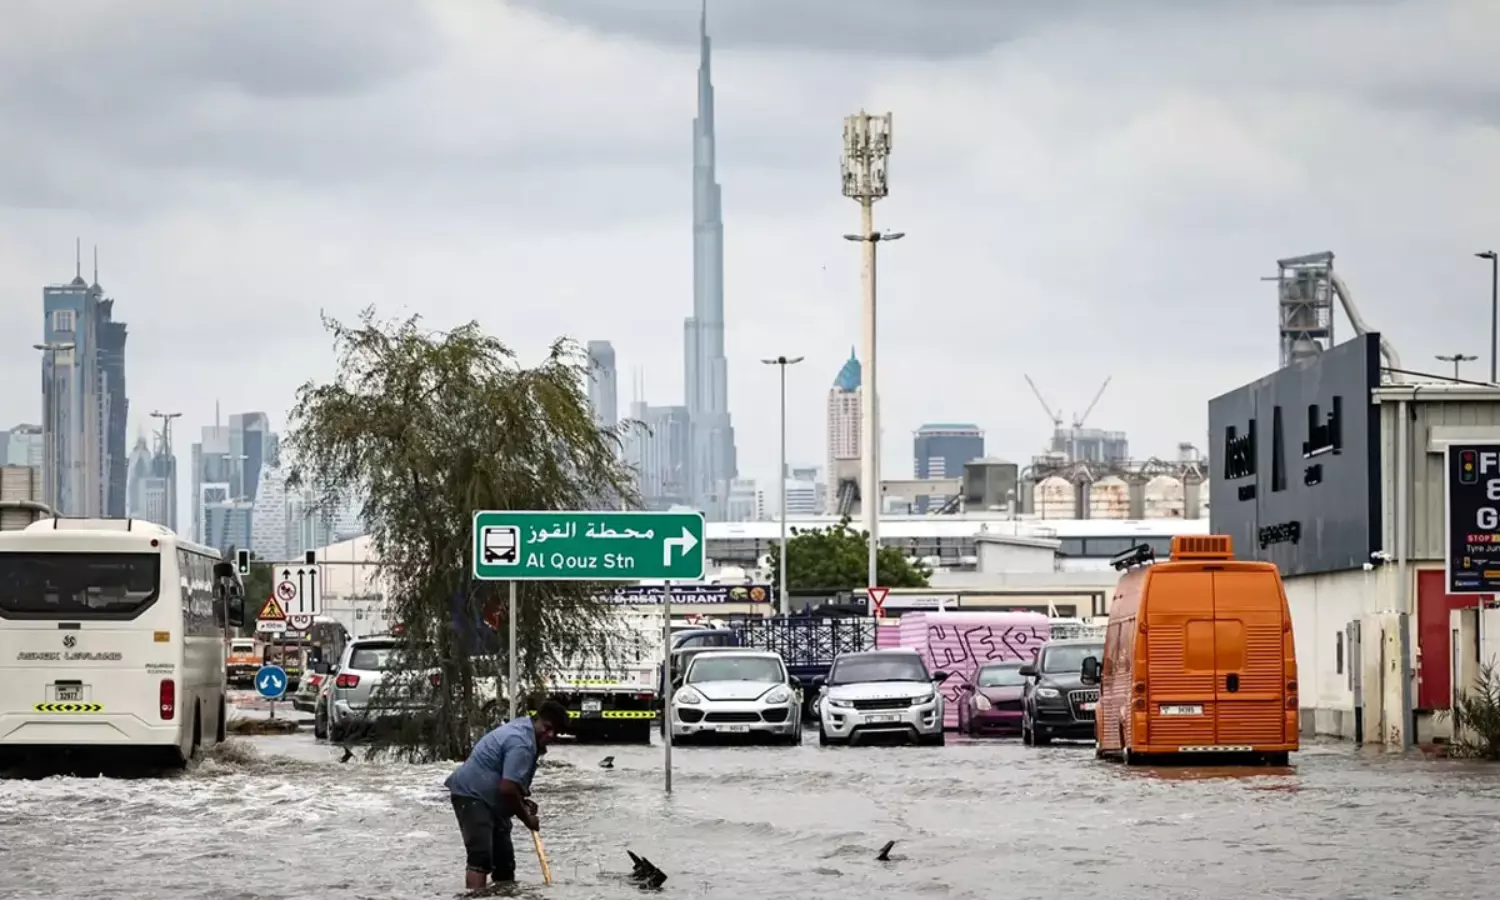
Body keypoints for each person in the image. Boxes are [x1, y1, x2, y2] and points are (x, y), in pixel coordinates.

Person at [445, 699, 570, 889]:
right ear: (537, 719)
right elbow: (508, 788)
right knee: (481, 859)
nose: (550, 734)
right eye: (547, 727)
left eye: (556, 732)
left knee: (504, 863)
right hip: (472, 795)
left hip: (494, 800)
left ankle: (504, 895)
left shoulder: (527, 732)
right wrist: (527, 819)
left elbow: (510, 785)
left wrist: (523, 802)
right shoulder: (522, 743)